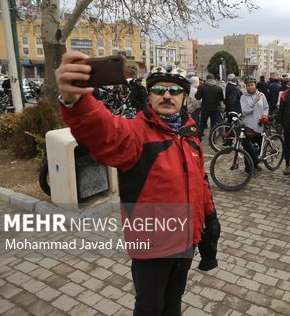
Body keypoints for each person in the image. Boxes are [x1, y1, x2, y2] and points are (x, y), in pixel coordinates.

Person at [55, 52, 220, 315]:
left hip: (186, 240)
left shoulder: (189, 133)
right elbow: (104, 132)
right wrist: (75, 102)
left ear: (185, 98)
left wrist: (210, 218)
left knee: (174, 300)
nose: (167, 95)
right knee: (150, 307)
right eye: (159, 90)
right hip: (153, 247)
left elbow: (200, 180)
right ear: (149, 95)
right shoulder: (135, 133)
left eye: (175, 90)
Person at [240, 76, 269, 171]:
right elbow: (245, 111)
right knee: (248, 148)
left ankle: (255, 165)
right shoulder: (243, 97)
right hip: (249, 127)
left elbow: (266, 107)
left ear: (255, 85)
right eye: (248, 85)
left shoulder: (262, 95)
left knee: (258, 147)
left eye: (252, 85)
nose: (250, 87)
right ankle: (248, 167)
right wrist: (254, 101)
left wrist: (265, 115)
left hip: (260, 126)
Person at [195, 74, 224, 140]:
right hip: (215, 108)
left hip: (205, 108)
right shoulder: (218, 87)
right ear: (213, 79)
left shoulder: (202, 87)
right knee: (213, 124)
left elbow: (197, 97)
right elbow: (221, 99)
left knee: (202, 124)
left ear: (207, 79)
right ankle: (212, 139)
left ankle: (199, 138)